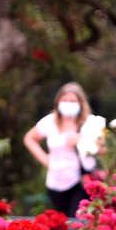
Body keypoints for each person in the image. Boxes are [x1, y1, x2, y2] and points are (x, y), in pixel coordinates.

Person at [24, 82, 103, 216]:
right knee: (61, 222)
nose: (68, 104)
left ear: (80, 103)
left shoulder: (91, 123)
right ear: (58, 102)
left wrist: (82, 141)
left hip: (81, 182)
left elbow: (103, 148)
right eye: (65, 100)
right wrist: (45, 160)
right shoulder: (49, 122)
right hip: (56, 182)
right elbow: (29, 138)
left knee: (77, 221)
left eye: (72, 101)